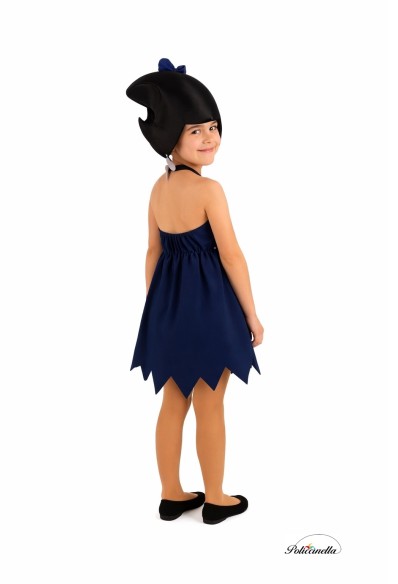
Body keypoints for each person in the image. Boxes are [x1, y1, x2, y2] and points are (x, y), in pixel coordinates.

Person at [126, 58, 264, 524]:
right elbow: (232, 256)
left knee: (173, 402)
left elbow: (152, 253)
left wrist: (157, 310)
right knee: (210, 403)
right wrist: (251, 315)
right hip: (210, 311)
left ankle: (171, 494)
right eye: (196, 131)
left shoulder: (157, 190)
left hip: (167, 312)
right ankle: (216, 498)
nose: (209, 138)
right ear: (171, 139)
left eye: (213, 127)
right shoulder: (210, 191)